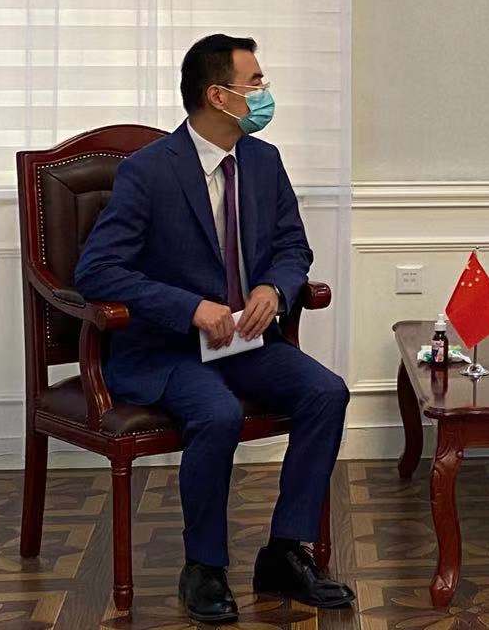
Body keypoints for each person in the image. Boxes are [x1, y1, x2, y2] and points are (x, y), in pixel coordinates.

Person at [75, 34, 354, 623]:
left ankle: (284, 552)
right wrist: (188, 307)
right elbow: (97, 270)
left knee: (326, 392)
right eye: (255, 82)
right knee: (218, 413)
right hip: (168, 350)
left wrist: (273, 288)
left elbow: (293, 246)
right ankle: (203, 567)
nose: (265, 92)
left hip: (245, 342)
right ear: (218, 96)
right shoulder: (149, 172)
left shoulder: (264, 161)